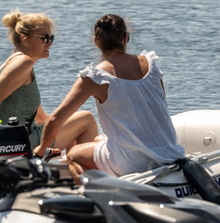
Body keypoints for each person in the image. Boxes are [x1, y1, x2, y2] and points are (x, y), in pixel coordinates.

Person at [38, 13, 184, 178]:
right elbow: (160, 107)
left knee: (73, 155)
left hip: (131, 162)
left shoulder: (96, 77)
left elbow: (56, 119)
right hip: (169, 152)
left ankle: (98, 196)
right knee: (97, 140)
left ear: (96, 42)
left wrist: (40, 152)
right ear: (125, 38)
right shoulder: (150, 65)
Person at [0, 11, 97, 152]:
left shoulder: (19, 64)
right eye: (45, 38)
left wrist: (55, 135)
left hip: (16, 139)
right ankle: (86, 169)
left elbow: (41, 118)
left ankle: (68, 166)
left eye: (51, 38)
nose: (49, 43)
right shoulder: (23, 63)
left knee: (68, 126)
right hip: (13, 143)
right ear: (25, 39)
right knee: (86, 120)